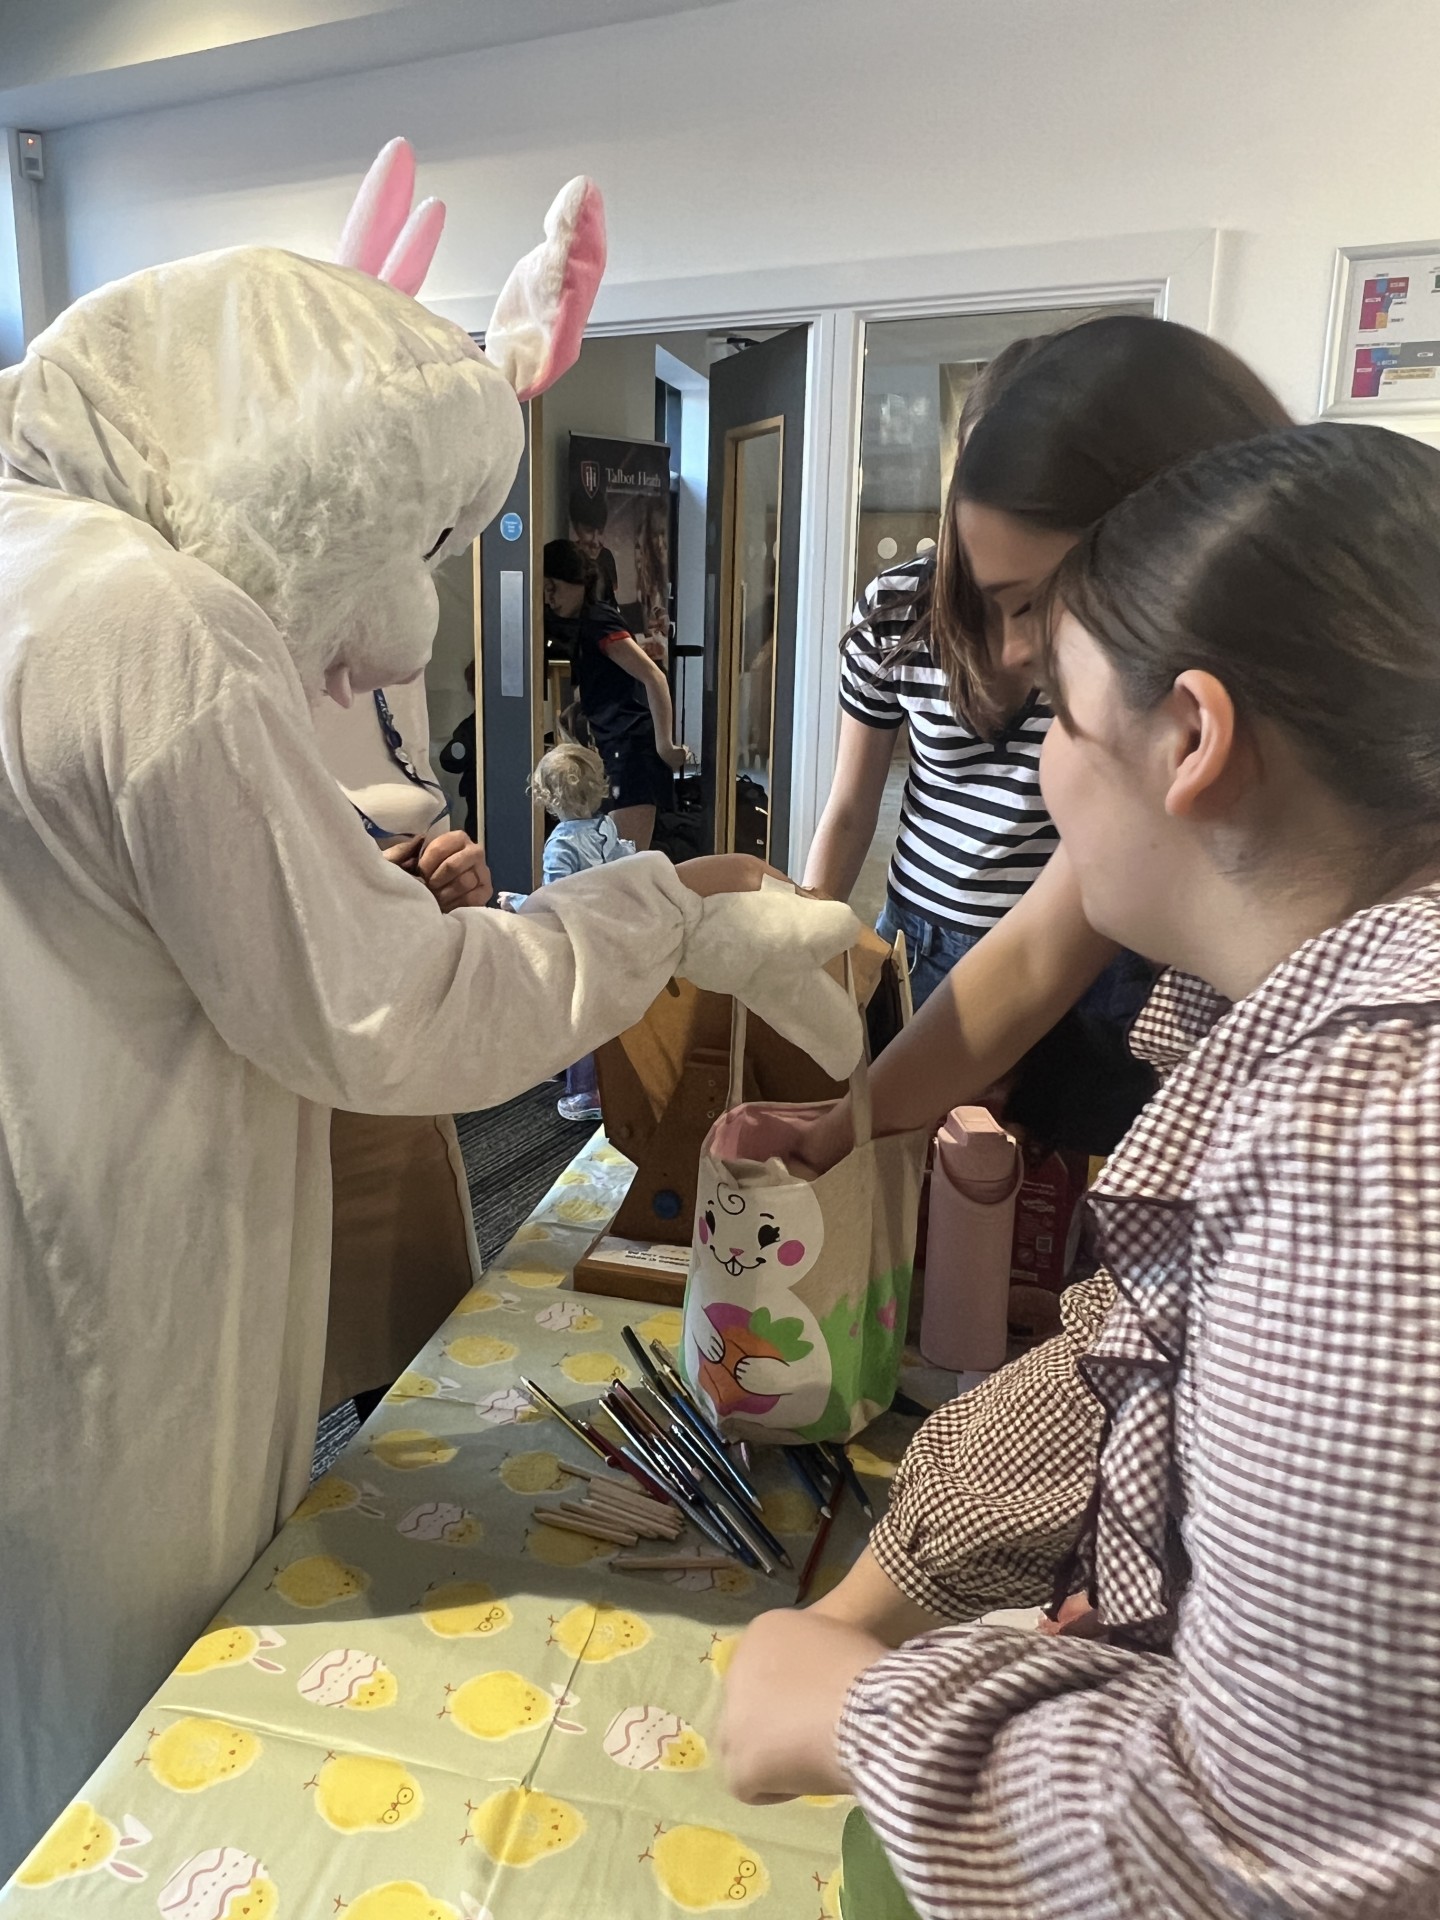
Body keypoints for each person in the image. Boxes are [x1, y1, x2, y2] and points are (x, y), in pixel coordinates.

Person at [0, 214, 865, 1873]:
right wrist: (665, 910)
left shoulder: (34, 563)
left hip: (52, 1265)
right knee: (141, 1734)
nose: (387, 638)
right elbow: (397, 1017)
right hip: (122, 1298)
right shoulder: (159, 626)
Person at [723, 421, 1440, 1918]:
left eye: (1057, 716)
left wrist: (860, 1713)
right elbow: (1137, 1349)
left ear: (1193, 740)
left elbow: (1257, 1857)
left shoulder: (1363, 1158)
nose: (1038, 773)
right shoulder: (1325, 1049)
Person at [799, 315, 1291, 1640]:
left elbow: (1143, 1350)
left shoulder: (1327, 1078)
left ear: (1194, 726)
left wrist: (875, 1633)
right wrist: (848, 1121)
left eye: (1032, 616)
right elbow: (1023, 958)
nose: (1015, 666)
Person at [313, 676, 490, 1415]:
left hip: (397, 1082)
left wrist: (454, 885)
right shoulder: (208, 675)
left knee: (416, 1391)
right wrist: (353, 911)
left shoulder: (390, 676)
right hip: (266, 1105)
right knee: (251, 1410)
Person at [499, 742, 638, 1120]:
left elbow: (556, 901)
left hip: (578, 943)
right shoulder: (606, 827)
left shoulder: (562, 842)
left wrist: (517, 903)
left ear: (546, 796)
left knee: (578, 1015)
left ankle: (585, 1092)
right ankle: (606, 1082)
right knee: (603, 1011)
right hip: (610, 933)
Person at [543, 535, 689, 851]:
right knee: (618, 858)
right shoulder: (586, 623)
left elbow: (653, 676)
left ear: (576, 580)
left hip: (633, 749)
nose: (549, 598)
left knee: (624, 861)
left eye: (553, 587)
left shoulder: (599, 621)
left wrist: (665, 745)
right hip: (618, 747)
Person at [438, 658, 479, 839]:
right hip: (478, 801)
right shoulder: (471, 727)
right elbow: (450, 761)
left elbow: (450, 760)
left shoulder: (471, 726)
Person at [568, 480, 619, 605]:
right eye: (589, 531)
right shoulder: (567, 558)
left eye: (600, 531)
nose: (596, 541)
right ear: (575, 527)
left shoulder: (606, 556)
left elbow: (612, 598)